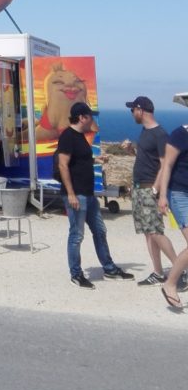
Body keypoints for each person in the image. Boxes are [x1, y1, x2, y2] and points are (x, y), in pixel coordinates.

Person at [57, 101, 134, 288]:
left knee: (100, 231)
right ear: (81, 117)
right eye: (90, 116)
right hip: (77, 194)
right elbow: (63, 165)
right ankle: (76, 274)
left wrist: (96, 159)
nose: (92, 120)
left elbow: (79, 160)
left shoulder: (80, 136)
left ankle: (109, 268)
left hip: (89, 194)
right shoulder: (67, 136)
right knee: (76, 235)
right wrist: (71, 194)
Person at [125, 96, 179, 286]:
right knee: (148, 232)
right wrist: (131, 150)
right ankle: (158, 272)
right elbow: (147, 159)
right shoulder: (145, 132)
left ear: (141, 110)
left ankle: (180, 268)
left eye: (133, 110)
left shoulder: (160, 134)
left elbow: (165, 165)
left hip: (150, 189)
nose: (132, 113)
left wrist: (156, 189)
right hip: (139, 188)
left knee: (156, 232)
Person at [158, 115, 188, 310]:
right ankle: (170, 283)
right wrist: (162, 196)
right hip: (179, 194)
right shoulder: (180, 134)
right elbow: (167, 166)